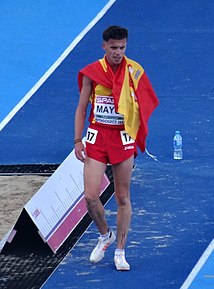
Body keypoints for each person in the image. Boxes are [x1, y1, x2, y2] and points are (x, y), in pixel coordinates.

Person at [74, 25, 159, 271]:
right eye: (113, 48)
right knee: (90, 197)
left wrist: (136, 131)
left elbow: (145, 104)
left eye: (122, 48)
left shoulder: (135, 71)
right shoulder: (91, 73)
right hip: (97, 137)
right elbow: (81, 108)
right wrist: (77, 140)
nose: (118, 52)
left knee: (122, 197)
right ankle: (105, 236)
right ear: (104, 47)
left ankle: (120, 251)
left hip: (122, 139)